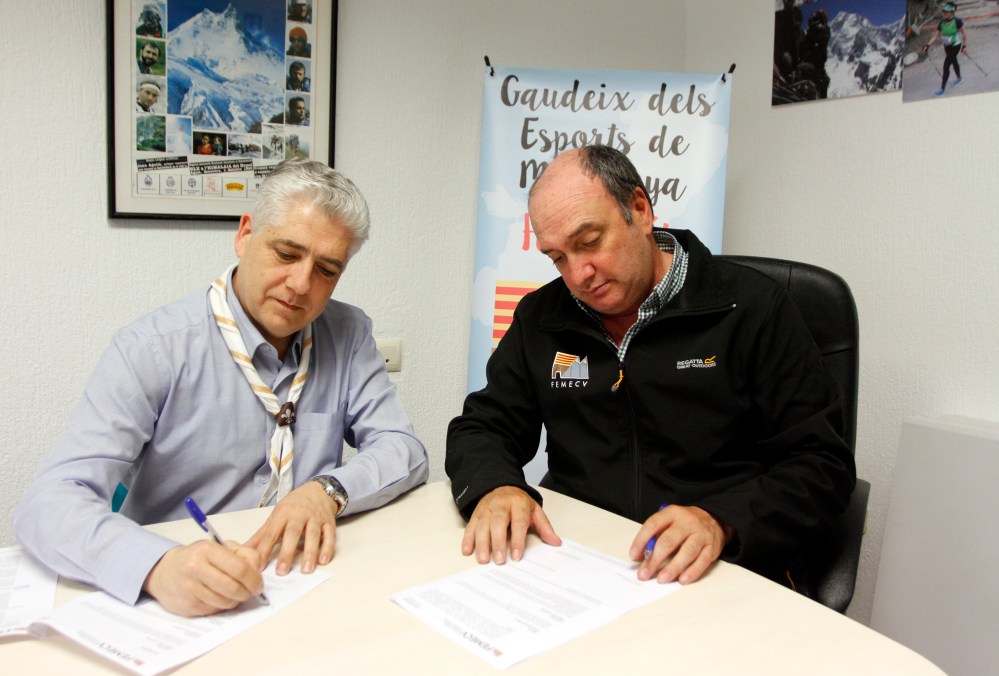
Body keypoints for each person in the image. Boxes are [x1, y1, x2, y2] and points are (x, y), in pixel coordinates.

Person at [15, 158, 429, 617]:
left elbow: (402, 447)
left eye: (326, 270)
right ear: (245, 234)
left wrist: (327, 490)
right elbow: (48, 503)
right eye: (286, 254)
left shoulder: (347, 333)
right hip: (180, 594)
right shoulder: (153, 348)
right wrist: (156, 566)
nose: (300, 284)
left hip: (302, 580)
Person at [446, 146, 855, 593]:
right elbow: (483, 426)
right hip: (583, 560)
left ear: (640, 210)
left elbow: (821, 465)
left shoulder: (752, 309)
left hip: (720, 565)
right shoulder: (541, 318)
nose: (579, 274)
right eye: (557, 257)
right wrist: (496, 486)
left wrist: (721, 519)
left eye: (590, 241)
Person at [922, 3, 968, 96]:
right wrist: (927, 45)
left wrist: (964, 46)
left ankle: (942, 89)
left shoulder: (957, 21)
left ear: (952, 12)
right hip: (947, 46)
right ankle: (959, 78)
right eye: (944, 12)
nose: (945, 13)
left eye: (947, 12)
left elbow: (964, 34)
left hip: (955, 45)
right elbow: (935, 36)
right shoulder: (942, 23)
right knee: (954, 61)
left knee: (946, 65)